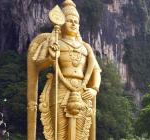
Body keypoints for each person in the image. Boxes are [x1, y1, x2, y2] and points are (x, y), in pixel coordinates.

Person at [27, 0, 101, 139]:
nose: (73, 23)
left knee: (80, 132)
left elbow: (96, 70)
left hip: (81, 89)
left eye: (76, 21)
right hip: (60, 86)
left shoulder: (86, 47)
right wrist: (51, 58)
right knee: (59, 132)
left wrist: (94, 88)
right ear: (61, 22)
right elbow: (37, 64)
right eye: (69, 20)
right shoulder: (54, 41)